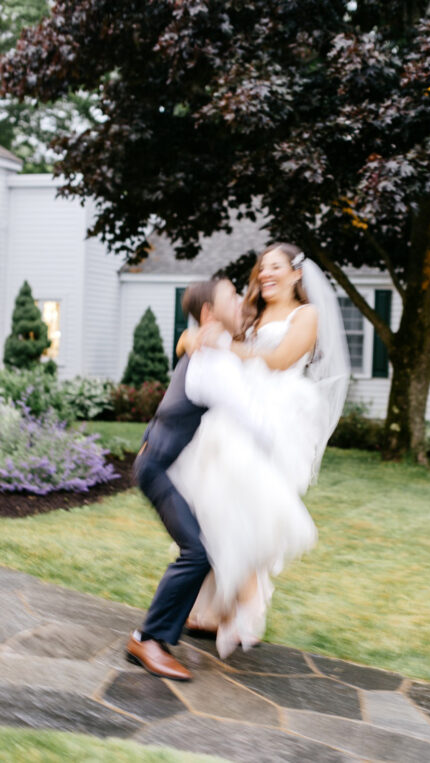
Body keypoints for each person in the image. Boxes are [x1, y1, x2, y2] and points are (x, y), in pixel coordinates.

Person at [172, 243, 349, 657]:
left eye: (275, 266)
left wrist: (225, 346)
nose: (264, 274)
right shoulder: (250, 313)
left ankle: (247, 596)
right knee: (213, 498)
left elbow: (282, 358)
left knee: (255, 505)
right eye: (261, 267)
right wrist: (192, 339)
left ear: (295, 275)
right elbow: (203, 341)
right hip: (241, 408)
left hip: (281, 416)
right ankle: (218, 605)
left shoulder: (306, 315)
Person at [126, 279, 245, 680]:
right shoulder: (210, 360)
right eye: (233, 296)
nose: (241, 299)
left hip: (164, 464)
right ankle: (146, 639)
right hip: (155, 468)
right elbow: (246, 412)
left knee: (202, 549)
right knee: (196, 552)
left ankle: (158, 633)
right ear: (209, 314)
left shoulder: (212, 349)